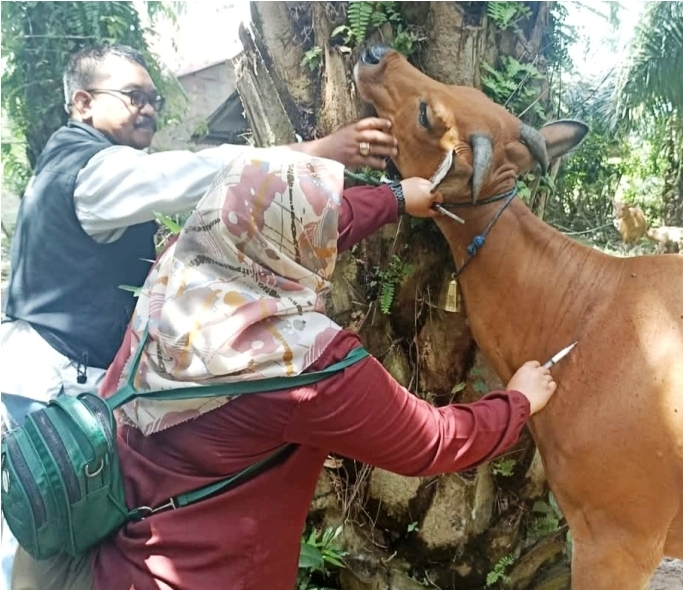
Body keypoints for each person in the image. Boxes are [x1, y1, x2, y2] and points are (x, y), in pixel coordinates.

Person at [10, 143, 558, 590]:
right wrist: (518, 403)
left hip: (108, 553)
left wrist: (395, 197)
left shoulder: (180, 269)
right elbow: (432, 442)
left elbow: (287, 224)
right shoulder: (302, 365)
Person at [0, 43, 429, 590]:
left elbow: (257, 224)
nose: (149, 108)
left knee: (48, 526)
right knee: (46, 519)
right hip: (57, 377)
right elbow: (206, 180)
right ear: (82, 103)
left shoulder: (64, 160)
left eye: (154, 98)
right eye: (134, 96)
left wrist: (387, 198)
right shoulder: (96, 172)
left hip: (37, 369)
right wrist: (323, 150)